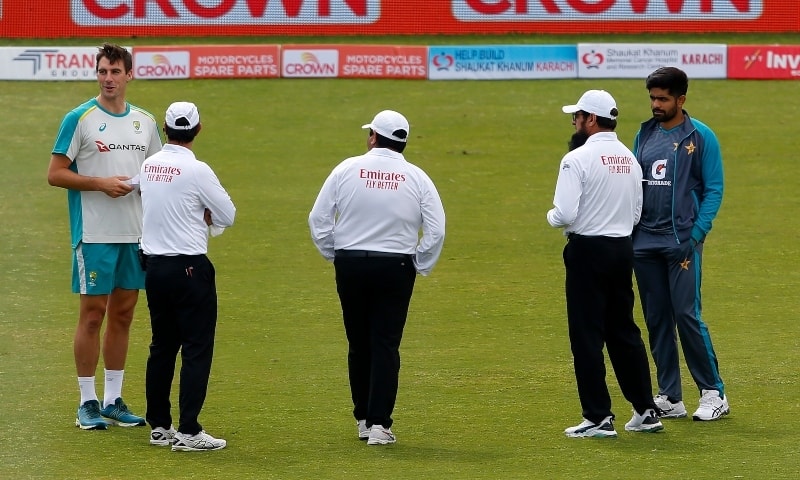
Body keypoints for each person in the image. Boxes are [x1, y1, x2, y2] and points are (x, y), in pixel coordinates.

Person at [308, 110, 446, 446]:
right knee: (385, 344)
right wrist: (420, 262)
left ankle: (363, 419)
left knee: (358, 342)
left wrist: (335, 252)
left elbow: (319, 218)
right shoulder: (417, 177)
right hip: (396, 265)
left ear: (373, 136)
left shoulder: (346, 168)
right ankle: (380, 425)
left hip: (352, 262)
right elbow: (436, 228)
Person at [48, 43, 162, 430]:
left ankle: (113, 399)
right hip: (94, 234)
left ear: (130, 75)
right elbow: (56, 173)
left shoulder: (145, 122)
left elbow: (157, 177)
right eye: (102, 72)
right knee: (92, 316)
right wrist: (98, 183)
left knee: (124, 315)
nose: (108, 79)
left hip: (135, 235)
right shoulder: (79, 118)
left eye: (115, 71)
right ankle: (87, 401)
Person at [548, 90, 663, 438]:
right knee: (623, 331)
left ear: (591, 120)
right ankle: (645, 410)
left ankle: (597, 416)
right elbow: (637, 213)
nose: (574, 121)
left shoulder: (576, 159)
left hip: (587, 250)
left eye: (578, 116)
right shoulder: (629, 158)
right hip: (622, 248)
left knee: (586, 335)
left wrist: (551, 217)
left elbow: (564, 213)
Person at [632, 67, 728, 422]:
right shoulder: (643, 134)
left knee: (687, 315)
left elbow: (714, 188)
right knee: (657, 319)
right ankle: (670, 395)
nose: (656, 104)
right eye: (652, 98)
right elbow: (632, 184)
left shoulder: (701, 136)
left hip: (682, 244)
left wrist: (697, 233)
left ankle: (713, 392)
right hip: (644, 242)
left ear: (681, 99)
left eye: (663, 98)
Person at [139, 101, 236, 451]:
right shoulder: (198, 171)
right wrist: (207, 218)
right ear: (197, 130)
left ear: (165, 129)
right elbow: (228, 214)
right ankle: (190, 430)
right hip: (190, 268)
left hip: (154, 267)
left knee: (162, 346)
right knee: (196, 348)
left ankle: (160, 426)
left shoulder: (149, 165)